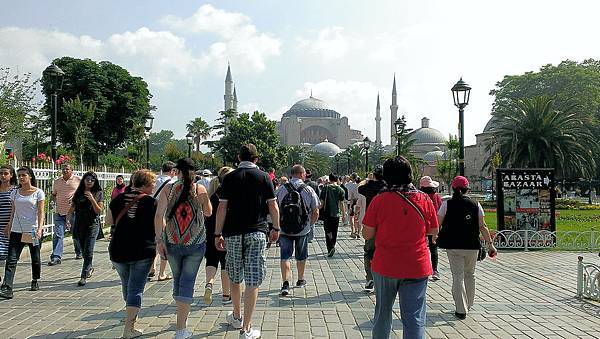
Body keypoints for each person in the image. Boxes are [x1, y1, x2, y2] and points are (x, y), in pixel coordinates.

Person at [362, 156, 439, 339]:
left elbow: (367, 234)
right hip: (417, 265)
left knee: (383, 314)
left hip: (386, 265)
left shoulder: (380, 200)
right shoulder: (424, 199)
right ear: (409, 174)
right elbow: (434, 230)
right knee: (414, 317)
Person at [214, 144, 280, 339]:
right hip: (257, 232)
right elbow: (273, 205)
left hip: (233, 233)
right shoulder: (264, 177)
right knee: (253, 279)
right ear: (256, 159)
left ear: (238, 157)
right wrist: (276, 227)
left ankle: (236, 315)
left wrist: (217, 233)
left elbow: (222, 209)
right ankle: (246, 328)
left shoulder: (229, 178)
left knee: (235, 276)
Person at [155, 158, 212, 339]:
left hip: (172, 240)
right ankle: (181, 328)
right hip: (195, 242)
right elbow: (208, 212)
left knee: (178, 279)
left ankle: (182, 319)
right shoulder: (199, 189)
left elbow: (158, 215)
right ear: (194, 172)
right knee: (187, 282)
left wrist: (159, 240)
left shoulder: (168, 188)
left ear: (177, 171)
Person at [436, 176, 497, 320]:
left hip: (453, 246)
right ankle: (468, 304)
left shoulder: (446, 204)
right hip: (472, 246)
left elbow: (437, 223)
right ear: (467, 189)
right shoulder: (476, 204)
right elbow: (482, 226)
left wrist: (434, 238)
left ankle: (461, 308)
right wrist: (490, 244)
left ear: (453, 188)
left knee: (457, 277)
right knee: (470, 275)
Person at [108, 169, 157, 338]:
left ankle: (130, 318)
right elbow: (158, 227)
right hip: (142, 251)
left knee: (127, 284)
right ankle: (129, 328)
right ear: (144, 185)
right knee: (136, 288)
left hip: (118, 249)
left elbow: (108, 221)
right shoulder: (152, 203)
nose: (154, 186)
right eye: (152, 183)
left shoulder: (117, 200)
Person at [0, 166, 45, 299]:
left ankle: (35, 279)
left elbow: (41, 212)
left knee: (35, 258)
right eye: (19, 175)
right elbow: (13, 211)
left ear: (30, 176)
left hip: (32, 230)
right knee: (12, 259)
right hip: (16, 230)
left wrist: (40, 228)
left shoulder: (38, 193)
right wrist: (9, 224)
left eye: (24, 175)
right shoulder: (15, 193)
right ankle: (7, 287)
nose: (21, 178)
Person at [276, 164, 319, 296]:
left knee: (285, 256)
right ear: (301, 174)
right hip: (302, 229)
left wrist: (276, 226)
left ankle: (285, 283)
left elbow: (276, 208)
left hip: (284, 228)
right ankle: (300, 280)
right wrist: (309, 225)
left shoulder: (282, 189)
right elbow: (316, 210)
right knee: (301, 255)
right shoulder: (308, 189)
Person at [203, 166, 233, 306]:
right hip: (225, 232)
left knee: (211, 260)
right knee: (225, 264)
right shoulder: (230, 195)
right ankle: (226, 295)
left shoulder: (211, 195)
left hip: (210, 233)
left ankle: (209, 283)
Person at [67, 172, 104, 286]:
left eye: (92, 180)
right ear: (83, 180)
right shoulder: (78, 192)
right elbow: (72, 207)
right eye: (87, 179)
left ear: (95, 181)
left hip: (92, 224)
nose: (89, 181)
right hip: (79, 224)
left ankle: (83, 275)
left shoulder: (98, 193)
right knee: (83, 250)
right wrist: (68, 219)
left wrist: (92, 199)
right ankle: (89, 267)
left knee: (88, 250)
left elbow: (99, 210)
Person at [357, 165, 386, 293]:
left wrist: (368, 179)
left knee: (369, 251)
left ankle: (370, 278)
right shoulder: (388, 187)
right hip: (386, 223)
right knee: (384, 251)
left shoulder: (368, 187)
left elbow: (359, 187)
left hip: (372, 223)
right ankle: (382, 279)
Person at [49, 164, 81, 266]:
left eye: (67, 169)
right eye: (63, 169)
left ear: (72, 170)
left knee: (76, 235)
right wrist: (51, 202)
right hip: (60, 212)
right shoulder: (57, 182)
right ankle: (56, 257)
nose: (65, 171)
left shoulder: (78, 180)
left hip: (73, 213)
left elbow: (83, 194)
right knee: (58, 235)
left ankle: (79, 251)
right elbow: (53, 195)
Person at [150, 161, 177, 281]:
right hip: (164, 216)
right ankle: (162, 273)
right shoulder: (172, 183)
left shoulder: (153, 180)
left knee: (153, 241)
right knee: (164, 242)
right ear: (172, 171)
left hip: (150, 214)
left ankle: (152, 267)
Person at [419, 176, 443, 281]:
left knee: (421, 249)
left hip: (421, 227)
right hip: (434, 226)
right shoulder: (436, 197)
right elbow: (440, 211)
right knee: (434, 249)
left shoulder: (419, 196)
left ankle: (421, 270)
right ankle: (435, 271)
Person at [319, 173, 346, 257]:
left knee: (327, 230)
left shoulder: (325, 188)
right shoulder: (341, 190)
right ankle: (333, 245)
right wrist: (344, 215)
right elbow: (342, 204)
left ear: (329, 179)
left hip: (327, 213)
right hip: (336, 214)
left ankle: (330, 247)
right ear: (337, 179)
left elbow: (322, 203)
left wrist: (316, 209)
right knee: (334, 231)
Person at [0, 165, 17, 281]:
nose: (3, 176)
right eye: (1, 173)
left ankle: (7, 279)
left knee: (5, 253)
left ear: (11, 175)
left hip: (8, 225)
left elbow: (15, 209)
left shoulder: (14, 190)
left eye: (6, 173)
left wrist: (10, 224)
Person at [304, 169, 320, 243]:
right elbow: (318, 194)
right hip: (313, 203)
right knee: (313, 220)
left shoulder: (303, 184)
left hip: (304, 204)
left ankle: (304, 234)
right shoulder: (315, 184)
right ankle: (311, 237)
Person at [345, 174, 359, 238]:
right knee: (357, 217)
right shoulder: (359, 185)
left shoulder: (348, 185)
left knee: (351, 217)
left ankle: (353, 231)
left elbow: (349, 195)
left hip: (350, 202)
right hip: (358, 201)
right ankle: (357, 231)